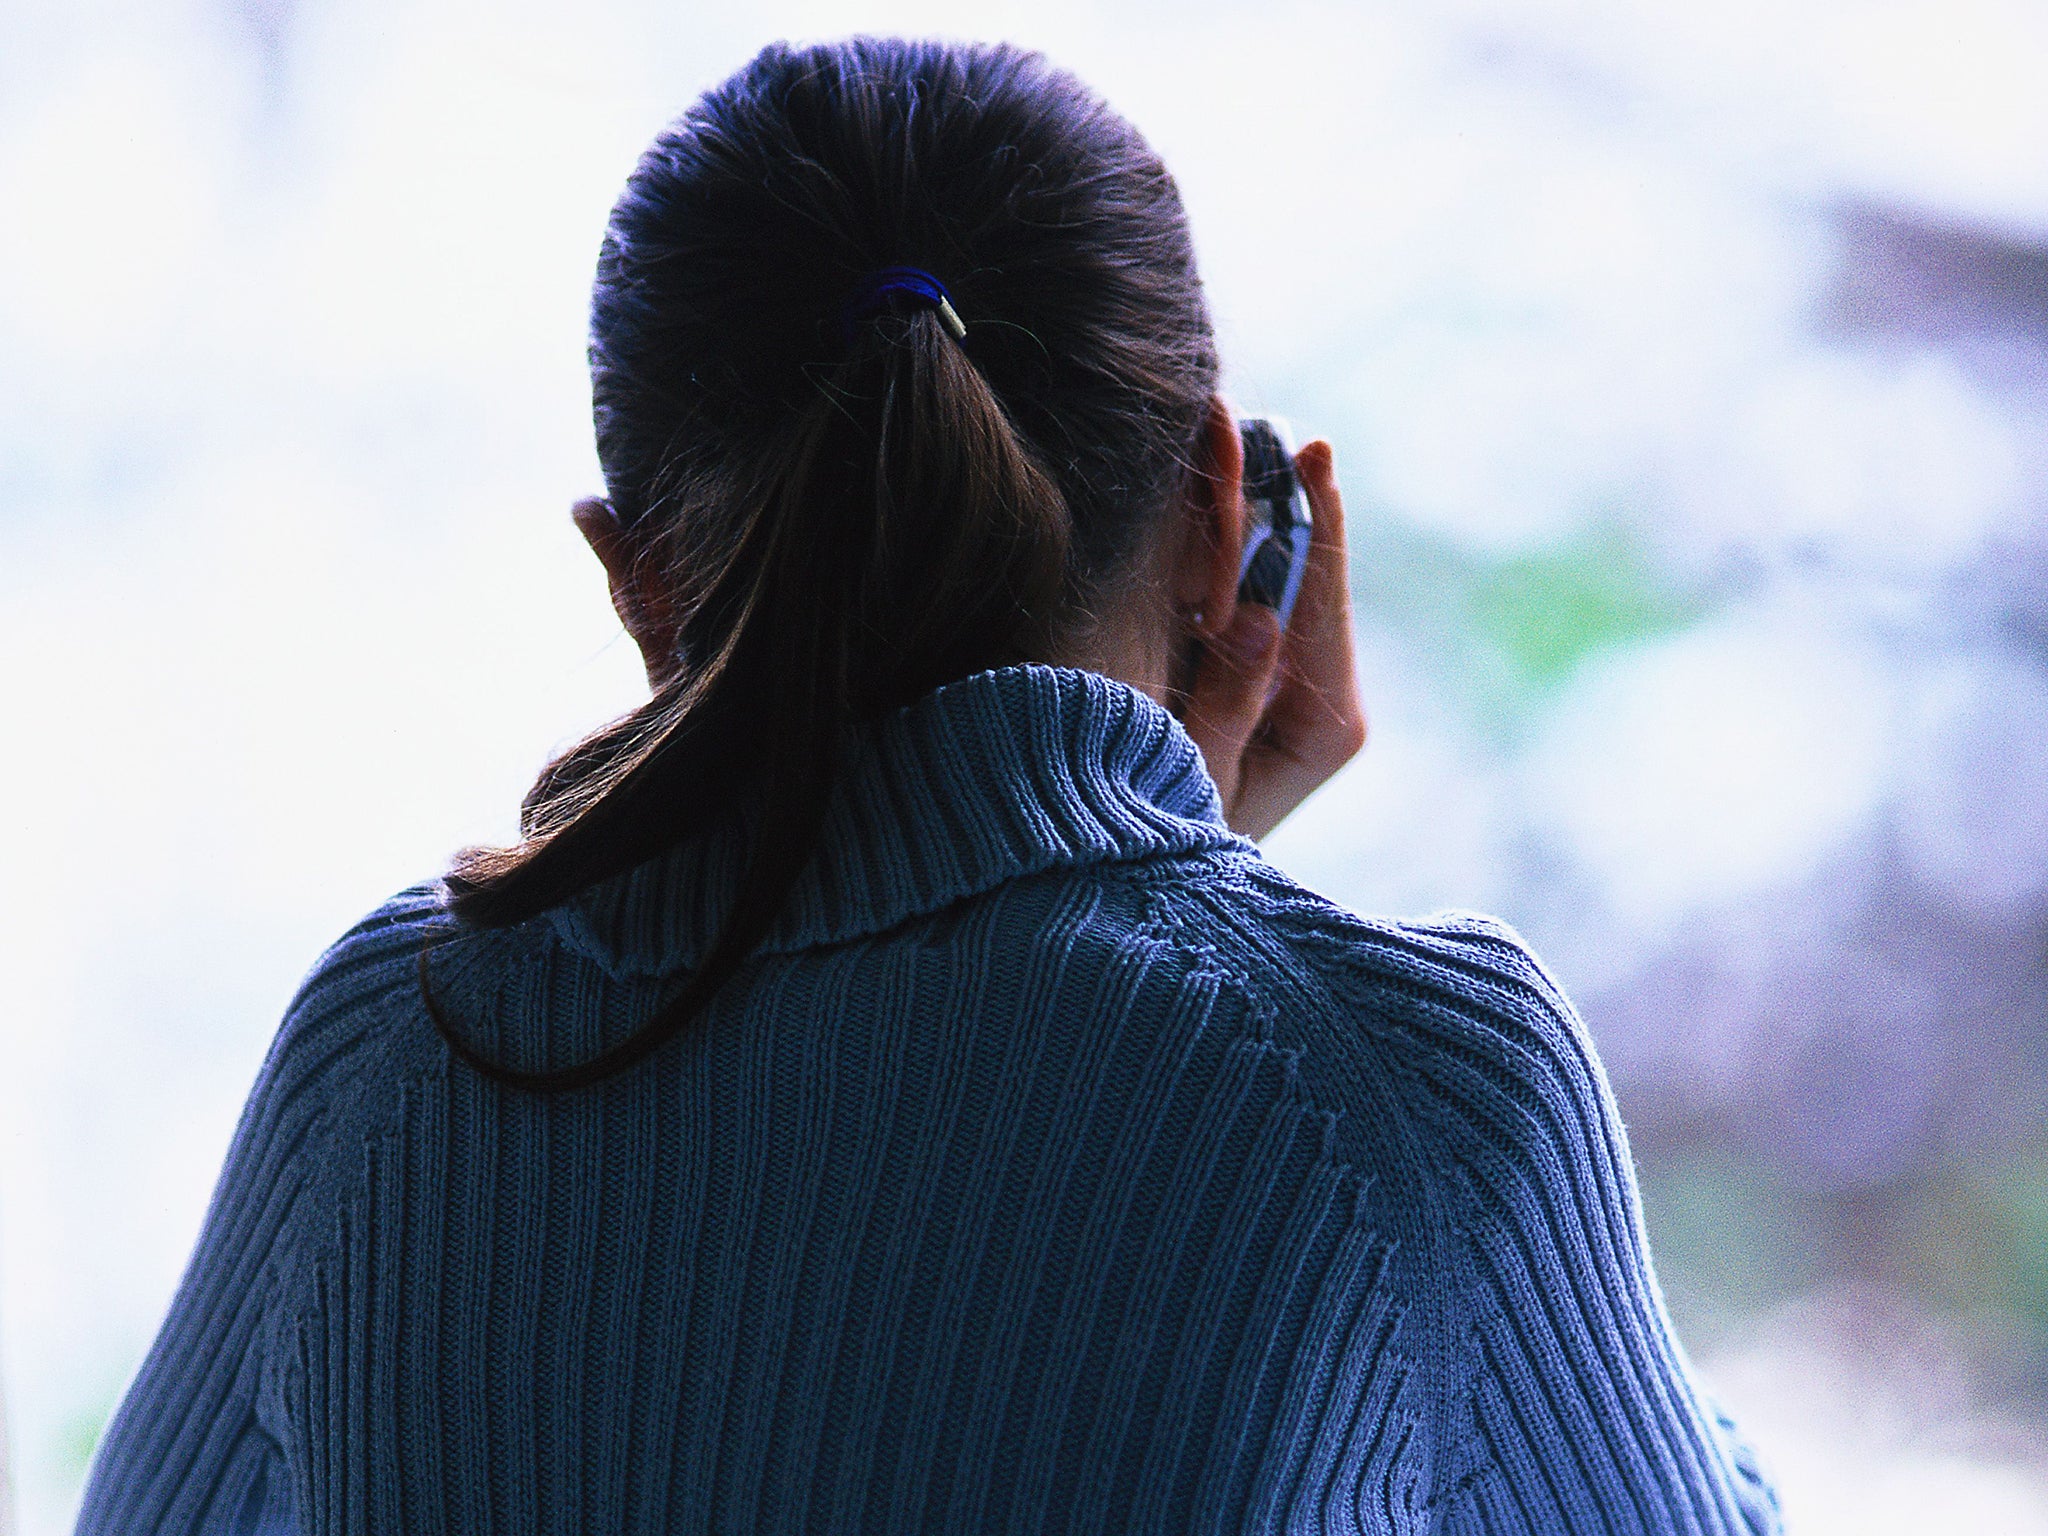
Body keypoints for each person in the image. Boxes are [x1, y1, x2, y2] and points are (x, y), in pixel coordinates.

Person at [77, 37, 1781, 1536]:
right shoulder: (1406, 1090)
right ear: (1219, 502)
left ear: (633, 577)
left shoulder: (396, 1045)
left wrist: (1154, 888)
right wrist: (1177, 895)